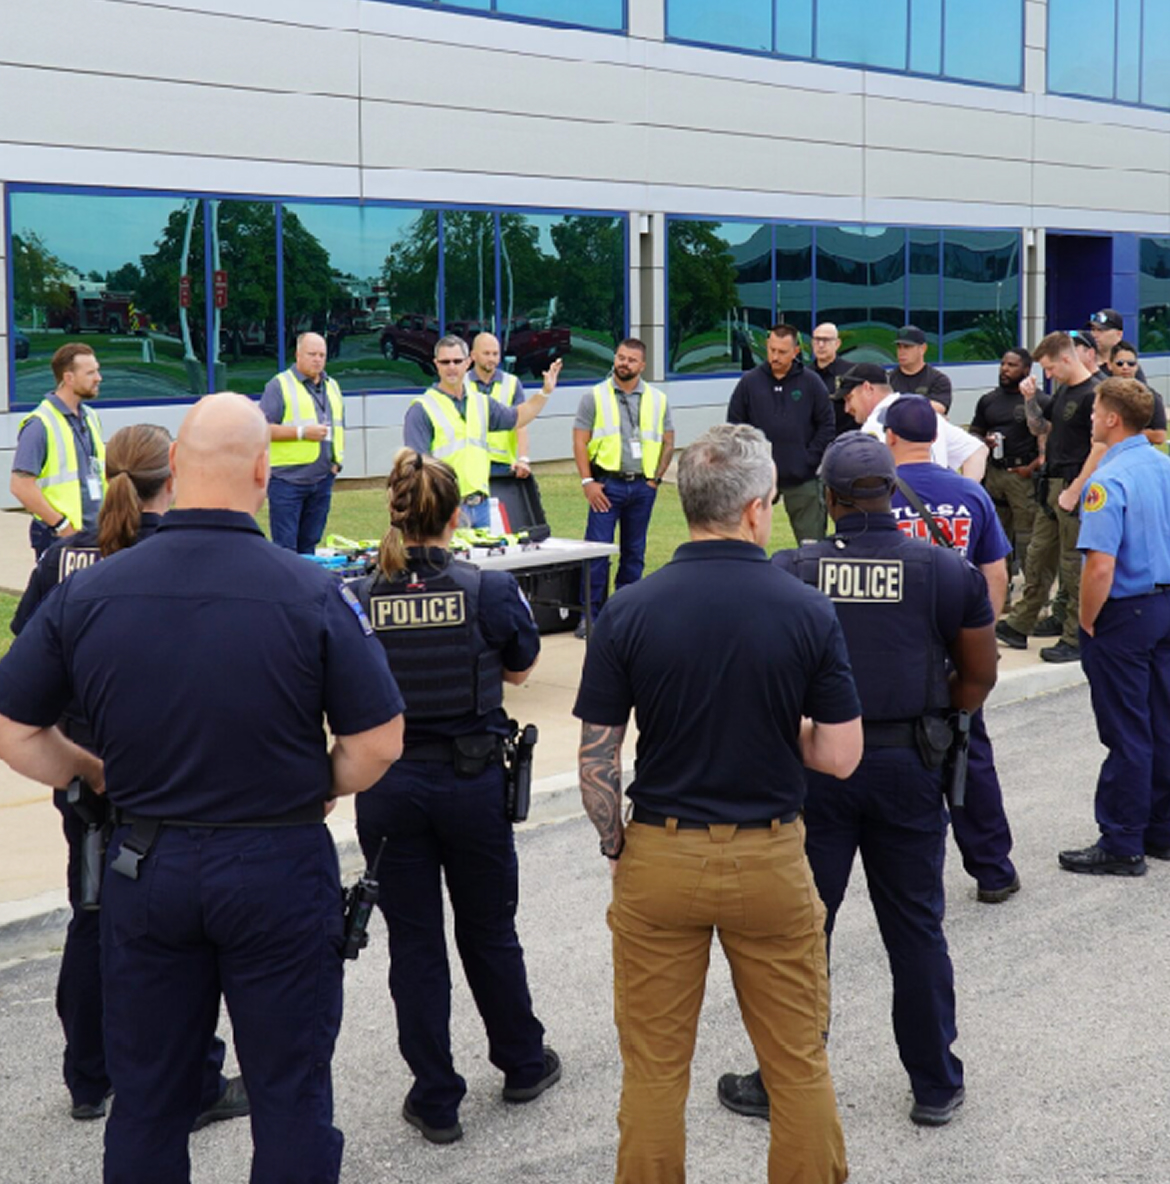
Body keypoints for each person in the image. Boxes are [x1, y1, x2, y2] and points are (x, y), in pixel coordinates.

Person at [0, 393, 406, 1183]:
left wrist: (90, 771)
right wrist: (316, 782)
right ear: (263, 472)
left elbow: (14, 729)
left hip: (146, 864)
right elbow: (381, 741)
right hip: (278, 864)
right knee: (290, 1099)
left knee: (149, 1102)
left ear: (177, 470)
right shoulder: (314, 591)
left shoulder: (89, 591)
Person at [574, 423, 862, 1184]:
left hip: (661, 852)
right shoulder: (806, 609)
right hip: (768, 854)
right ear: (759, 509)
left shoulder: (630, 610)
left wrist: (617, 847)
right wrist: (779, 726)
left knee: (655, 1070)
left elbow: (597, 758)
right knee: (797, 1061)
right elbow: (839, 754)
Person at [717, 431, 998, 1130]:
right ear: (893, 496)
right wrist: (941, 722)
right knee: (916, 928)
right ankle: (934, 1084)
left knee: (803, 933)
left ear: (832, 499)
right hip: (910, 765)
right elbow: (981, 673)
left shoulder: (792, 568)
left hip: (817, 767)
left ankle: (783, 1077)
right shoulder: (941, 569)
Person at [11, 425, 249, 1130]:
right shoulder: (175, 556)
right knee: (180, 929)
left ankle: (90, 1077)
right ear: (168, 475)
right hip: (161, 770)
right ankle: (196, 1080)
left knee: (91, 912)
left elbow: (27, 660)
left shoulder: (64, 556)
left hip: (77, 766)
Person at [352, 448, 561, 1146]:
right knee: (489, 930)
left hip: (388, 787)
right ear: (455, 515)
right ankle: (523, 1063)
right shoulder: (487, 589)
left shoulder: (360, 595)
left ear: (395, 511)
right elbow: (523, 669)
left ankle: (436, 1097)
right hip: (470, 782)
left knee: (414, 945)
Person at [884, 396, 1020, 903]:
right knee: (968, 750)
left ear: (890, 438)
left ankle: (913, 876)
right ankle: (993, 869)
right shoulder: (971, 494)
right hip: (960, 645)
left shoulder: (875, 494)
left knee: (901, 756)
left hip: (899, 650)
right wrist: (981, 640)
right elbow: (996, 573)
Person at [1058, 378, 1170, 876]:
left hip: (1125, 612)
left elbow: (1099, 566)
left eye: (1095, 408)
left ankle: (1122, 840)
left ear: (1111, 419)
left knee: (1127, 730)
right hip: (1165, 603)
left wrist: (1086, 621)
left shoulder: (1108, 479)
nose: (1089, 416)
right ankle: (1160, 830)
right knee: (1161, 721)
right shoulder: (1164, 467)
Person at [996, 331, 1105, 663]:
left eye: (1049, 368)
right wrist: (1030, 400)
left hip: (1075, 485)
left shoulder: (1094, 393)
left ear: (1067, 359)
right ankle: (1020, 623)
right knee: (1038, 557)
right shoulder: (1064, 392)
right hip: (1052, 485)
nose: (1047, 375)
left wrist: (1075, 490)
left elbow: (1100, 447)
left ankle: (1075, 636)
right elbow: (1041, 429)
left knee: (1073, 564)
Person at [404, 335, 561, 528]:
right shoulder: (421, 409)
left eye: (457, 361)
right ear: (436, 364)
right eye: (445, 362)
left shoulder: (481, 403)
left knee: (486, 557)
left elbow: (519, 417)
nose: (451, 367)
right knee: (452, 558)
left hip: (481, 506)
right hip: (446, 507)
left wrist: (545, 392)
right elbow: (416, 468)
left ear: (467, 363)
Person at [573, 338, 674, 636]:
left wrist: (655, 480)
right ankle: (589, 617)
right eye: (620, 357)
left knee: (634, 552)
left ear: (642, 365)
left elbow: (668, 440)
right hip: (606, 486)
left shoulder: (657, 399)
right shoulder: (594, 397)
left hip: (642, 488)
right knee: (596, 552)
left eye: (631, 359)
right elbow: (580, 440)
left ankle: (626, 614)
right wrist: (588, 482)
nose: (624, 363)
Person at [727, 322, 834, 542]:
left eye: (782, 352)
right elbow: (734, 427)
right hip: (758, 477)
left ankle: (809, 578)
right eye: (772, 350)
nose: (775, 357)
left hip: (802, 477)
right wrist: (748, 462)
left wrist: (809, 459)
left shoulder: (811, 382)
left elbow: (827, 425)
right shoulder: (749, 382)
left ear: (796, 351)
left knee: (812, 544)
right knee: (744, 539)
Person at [10, 342, 107, 558]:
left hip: (94, 535)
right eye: (90, 372)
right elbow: (20, 486)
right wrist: (62, 526)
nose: (98, 377)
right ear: (69, 378)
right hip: (59, 537)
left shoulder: (91, 417)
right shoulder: (39, 424)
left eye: (97, 370)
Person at [261, 331, 346, 554]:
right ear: (298, 354)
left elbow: (338, 428)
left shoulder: (333, 386)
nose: (317, 359)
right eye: (312, 354)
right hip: (287, 481)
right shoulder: (279, 386)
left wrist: (336, 464)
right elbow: (261, 429)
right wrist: (301, 433)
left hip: (322, 479)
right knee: (286, 549)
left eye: (322, 354)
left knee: (310, 547)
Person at [841, 362, 987, 479]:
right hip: (938, 510)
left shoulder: (875, 424)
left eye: (849, 398)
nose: (847, 409)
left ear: (868, 388)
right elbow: (977, 450)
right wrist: (963, 493)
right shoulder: (925, 413)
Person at [970, 348, 1045, 572]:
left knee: (1027, 537)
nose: (1005, 369)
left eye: (1012, 365)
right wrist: (985, 440)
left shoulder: (1038, 400)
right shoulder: (988, 400)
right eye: (1003, 364)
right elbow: (974, 433)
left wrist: (1033, 467)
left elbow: (1048, 437)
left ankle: (1032, 593)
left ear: (1026, 369)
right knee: (995, 535)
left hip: (1023, 475)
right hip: (994, 474)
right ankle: (1001, 595)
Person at [468, 331, 533, 478]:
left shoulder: (512, 383)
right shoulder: (461, 384)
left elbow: (521, 423)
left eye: (495, 354)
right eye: (486, 353)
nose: (492, 358)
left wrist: (523, 459)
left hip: (503, 464)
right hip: (469, 464)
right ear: (473, 355)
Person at [1109, 341, 1167, 445]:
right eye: (1120, 363)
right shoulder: (1102, 395)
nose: (1125, 367)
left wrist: (1128, 432)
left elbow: (1160, 436)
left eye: (1131, 363)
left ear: (1137, 366)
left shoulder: (1150, 396)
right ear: (1110, 365)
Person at [889, 325, 953, 414]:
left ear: (922, 349)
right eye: (899, 347)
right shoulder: (888, 379)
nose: (901, 351)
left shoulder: (938, 380)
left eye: (907, 347)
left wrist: (897, 404)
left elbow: (940, 407)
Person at [808, 321, 855, 436]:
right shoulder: (804, 375)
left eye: (826, 340)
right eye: (817, 340)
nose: (820, 345)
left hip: (843, 440)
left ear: (837, 344)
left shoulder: (851, 373)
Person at [1088, 309, 1148, 384]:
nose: (1094, 335)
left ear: (1119, 334)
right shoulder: (1085, 361)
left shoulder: (1128, 365)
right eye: (1093, 330)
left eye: (1101, 330)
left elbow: (1144, 393)